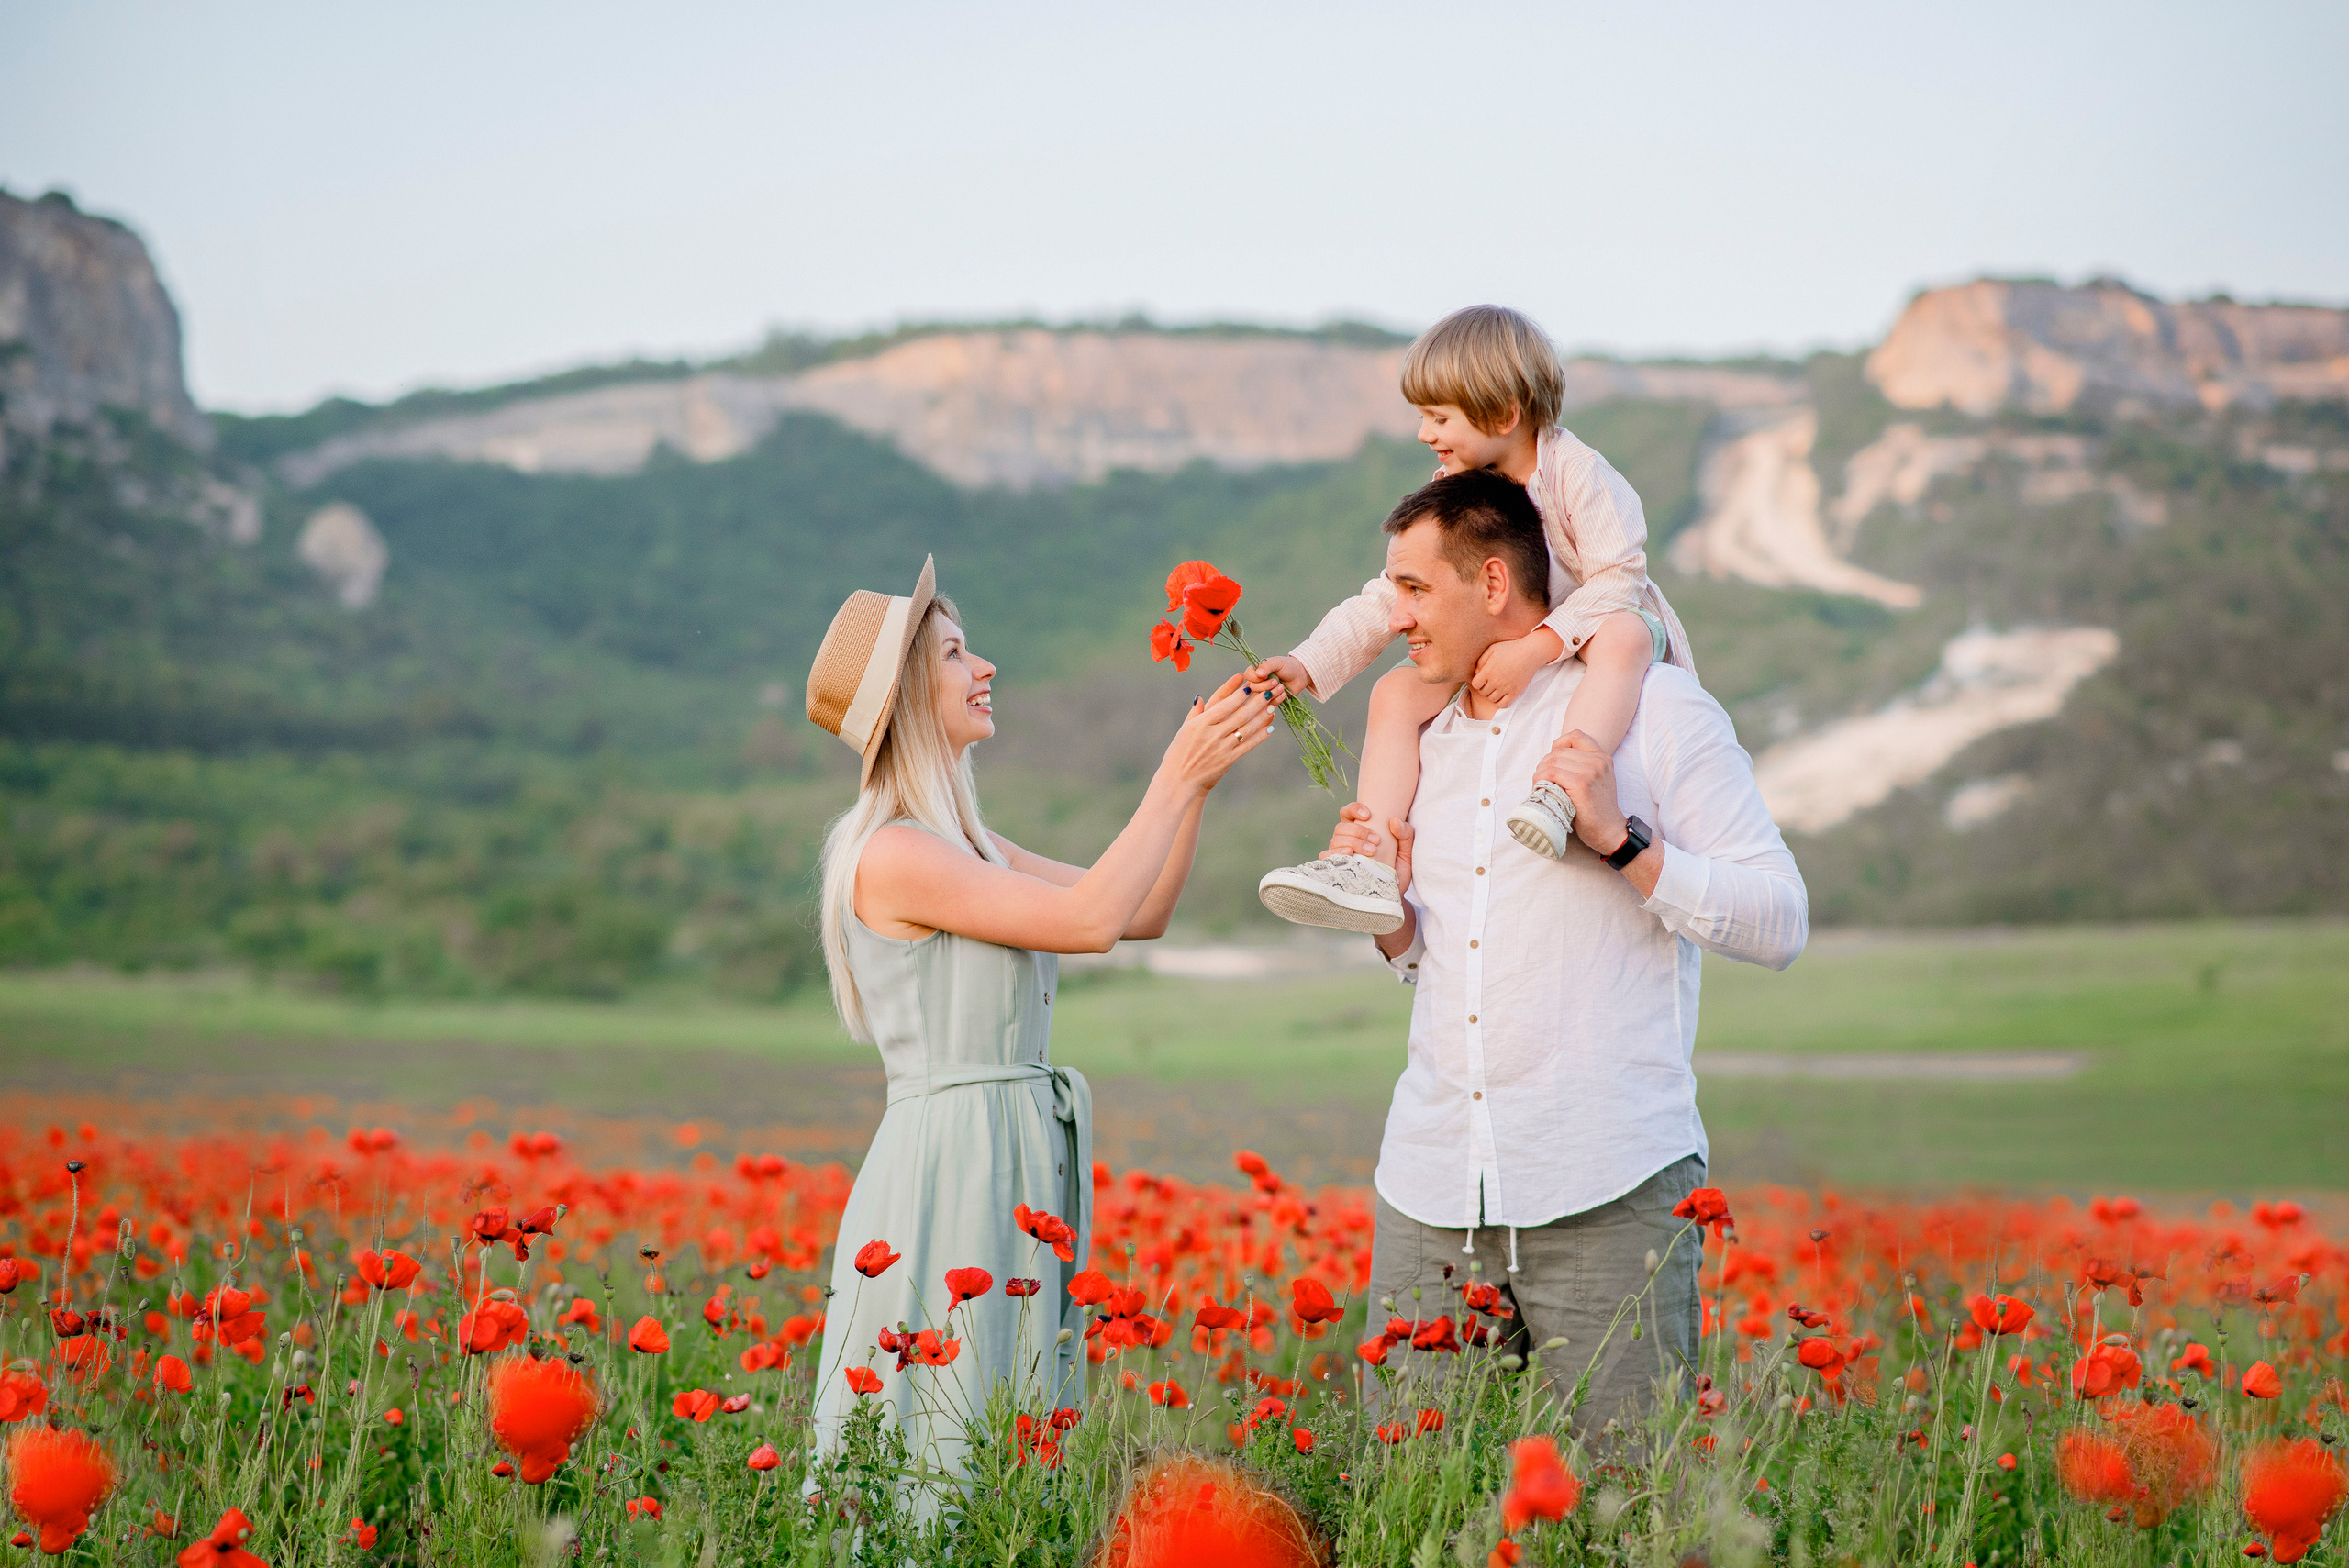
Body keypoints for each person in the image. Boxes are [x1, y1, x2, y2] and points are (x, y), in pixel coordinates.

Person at [1319, 472, 1806, 1435]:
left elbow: (1780, 919)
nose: (1394, 616)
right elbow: (1431, 961)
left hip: (1606, 1184)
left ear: (1493, 582)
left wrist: (1620, 840)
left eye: (1413, 590)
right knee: (1410, 1506)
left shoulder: (1653, 709)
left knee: (1632, 1508)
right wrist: (1387, 909)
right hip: (1431, 1188)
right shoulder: (1425, 732)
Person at [802, 555, 1277, 1487]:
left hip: (1008, 1144)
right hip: (953, 1160)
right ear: (903, 696)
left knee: (1005, 1416)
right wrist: (1172, 778)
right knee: (943, 1422)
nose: (982, 668)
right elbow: (1088, 920)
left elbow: (1139, 911)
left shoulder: (966, 845)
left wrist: (1198, 780)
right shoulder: (894, 852)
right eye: (952, 653)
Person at [1252, 305, 1695, 935]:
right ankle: (1370, 859)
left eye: (1438, 417)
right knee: (1397, 690)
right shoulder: (1460, 488)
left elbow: (1619, 578)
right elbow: (1392, 594)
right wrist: (1306, 660)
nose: (1423, 433)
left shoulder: (1576, 472)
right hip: (1519, 638)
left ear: (1504, 415)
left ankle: (1563, 788)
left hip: (1602, 628)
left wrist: (1538, 648)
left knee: (1623, 633)